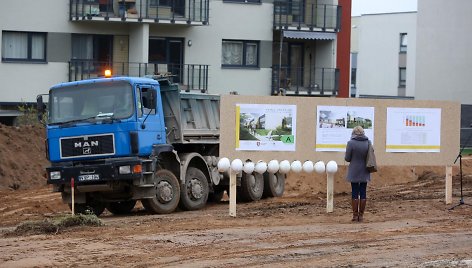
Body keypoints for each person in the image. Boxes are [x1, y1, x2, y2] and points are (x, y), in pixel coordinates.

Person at [345, 125, 371, 222]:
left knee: (355, 191)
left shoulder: (351, 143)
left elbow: (347, 158)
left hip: (354, 170)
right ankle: (361, 216)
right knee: (363, 191)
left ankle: (355, 216)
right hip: (365, 169)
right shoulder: (368, 142)